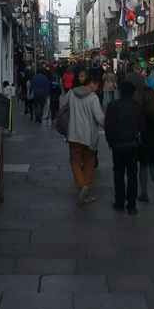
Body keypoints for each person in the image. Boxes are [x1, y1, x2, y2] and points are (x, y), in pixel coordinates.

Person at [103, 80, 143, 215]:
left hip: (118, 145)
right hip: (133, 144)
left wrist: (110, 142)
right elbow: (141, 126)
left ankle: (119, 202)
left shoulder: (113, 106)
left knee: (118, 174)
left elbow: (108, 125)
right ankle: (131, 205)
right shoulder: (137, 106)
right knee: (132, 175)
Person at [66, 69, 105, 206]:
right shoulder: (92, 97)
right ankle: (86, 191)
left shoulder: (71, 93)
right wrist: (110, 127)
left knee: (75, 162)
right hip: (89, 137)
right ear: (92, 84)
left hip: (73, 134)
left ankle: (82, 187)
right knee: (89, 164)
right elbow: (100, 118)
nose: (98, 88)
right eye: (97, 85)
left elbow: (64, 109)